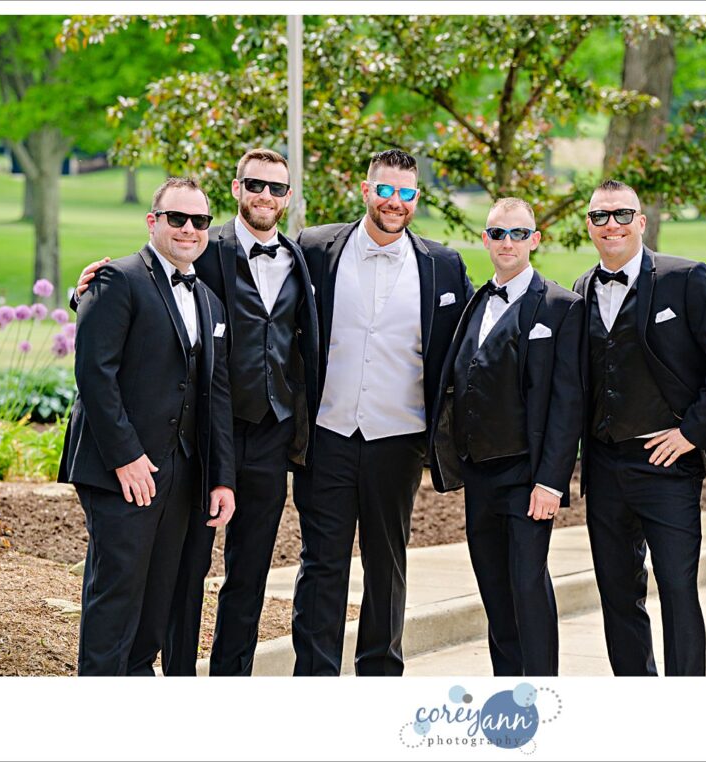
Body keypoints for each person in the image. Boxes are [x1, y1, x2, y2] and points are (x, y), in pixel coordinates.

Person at [73, 148, 320, 676]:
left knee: (210, 581)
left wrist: (224, 473)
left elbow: (239, 375)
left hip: (239, 448)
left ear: (288, 196)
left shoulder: (279, 266)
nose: (189, 229)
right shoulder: (162, 264)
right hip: (164, 452)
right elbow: (104, 358)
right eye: (256, 184)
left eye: (277, 188)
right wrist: (83, 297)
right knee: (146, 582)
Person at [293, 148, 473, 676]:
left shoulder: (443, 265)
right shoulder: (315, 249)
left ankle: (379, 675)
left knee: (386, 565)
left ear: (416, 198)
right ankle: (315, 677)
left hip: (397, 440)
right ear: (366, 190)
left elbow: (472, 346)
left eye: (407, 193)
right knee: (321, 564)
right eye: (386, 190)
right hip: (327, 434)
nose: (396, 202)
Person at [58, 178, 235, 676]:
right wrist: (126, 457)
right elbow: (96, 375)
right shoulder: (117, 279)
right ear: (153, 221)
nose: (188, 229)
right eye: (176, 218)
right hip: (122, 472)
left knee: (158, 605)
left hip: (181, 476)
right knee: (115, 598)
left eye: (199, 221)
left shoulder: (209, 302)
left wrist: (221, 477)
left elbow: (214, 395)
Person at [573, 179, 706, 676]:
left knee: (676, 587)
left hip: (667, 465)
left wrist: (692, 432)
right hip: (605, 468)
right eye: (601, 216)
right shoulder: (582, 289)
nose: (612, 225)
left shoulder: (687, 278)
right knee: (616, 591)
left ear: (641, 222)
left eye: (622, 214)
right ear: (589, 225)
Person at [429, 198, 584, 676]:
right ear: (486, 240)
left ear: (535, 240)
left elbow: (567, 402)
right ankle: (508, 695)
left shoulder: (561, 307)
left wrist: (552, 482)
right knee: (494, 590)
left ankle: (541, 694)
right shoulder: (475, 300)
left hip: (528, 477)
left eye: (519, 234)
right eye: (499, 234)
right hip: (479, 476)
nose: (508, 243)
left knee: (527, 587)